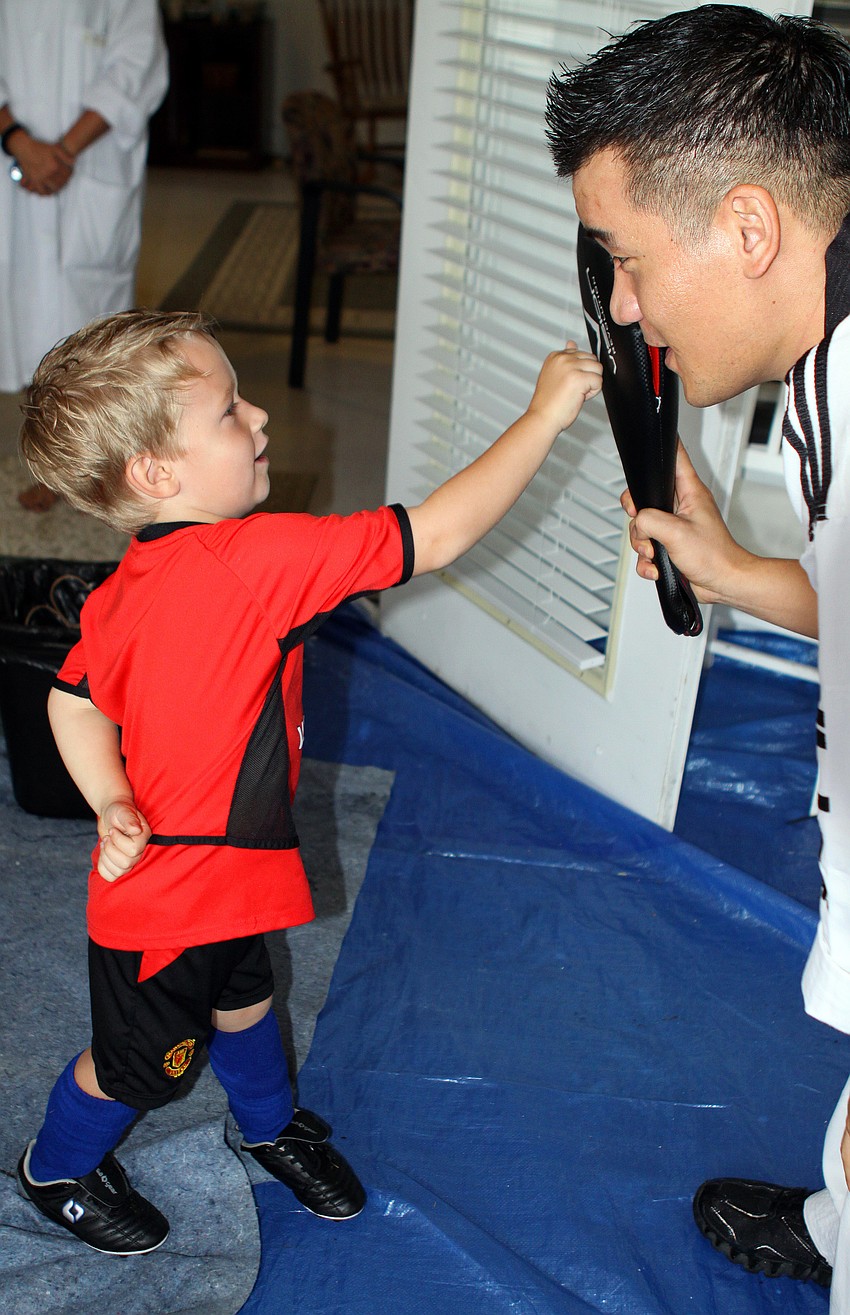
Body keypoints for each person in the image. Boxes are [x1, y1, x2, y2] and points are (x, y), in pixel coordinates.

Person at [14, 307, 602, 1255]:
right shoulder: (260, 558)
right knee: (139, 1068)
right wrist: (543, 415)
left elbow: (73, 699)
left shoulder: (126, 578)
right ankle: (57, 1164)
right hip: (165, 902)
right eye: (229, 411)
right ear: (156, 473)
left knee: (247, 996)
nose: (261, 420)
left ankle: (267, 1121)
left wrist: (108, 794)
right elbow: (438, 534)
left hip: (227, 867)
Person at [545, 3, 850, 1306]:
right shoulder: (817, 348)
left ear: (745, 225)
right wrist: (736, 577)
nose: (619, 300)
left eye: (622, 257)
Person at [0, 0, 168, 394]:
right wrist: (17, 140)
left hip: (90, 166)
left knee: (91, 370)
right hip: (12, 168)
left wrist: (63, 152)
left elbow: (138, 62)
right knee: (17, 327)